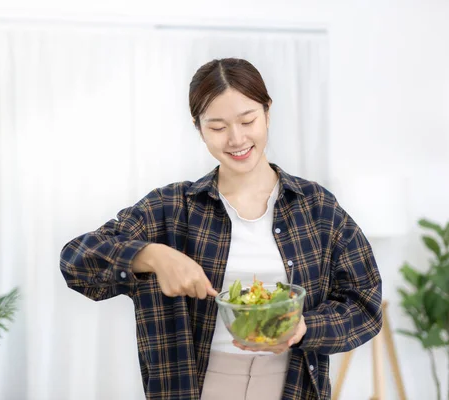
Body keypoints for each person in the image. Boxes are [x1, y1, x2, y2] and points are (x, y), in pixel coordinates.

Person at [60, 58, 382, 400]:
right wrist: (151, 255)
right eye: (217, 127)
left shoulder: (316, 207)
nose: (237, 139)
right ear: (199, 129)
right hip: (195, 386)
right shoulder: (170, 207)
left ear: (267, 113)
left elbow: (365, 304)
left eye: (248, 120)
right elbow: (75, 262)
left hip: (292, 385)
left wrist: (304, 327)